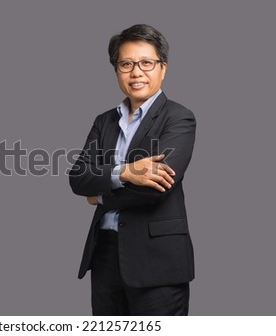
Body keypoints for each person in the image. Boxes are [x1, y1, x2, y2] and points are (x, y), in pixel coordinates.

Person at [69, 24, 196, 316]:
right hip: (104, 257)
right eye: (126, 64)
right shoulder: (104, 121)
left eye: (146, 63)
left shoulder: (178, 118)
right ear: (116, 71)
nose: (136, 72)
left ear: (162, 68)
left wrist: (99, 197)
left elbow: (158, 186)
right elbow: (78, 178)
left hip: (157, 263)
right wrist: (125, 172)